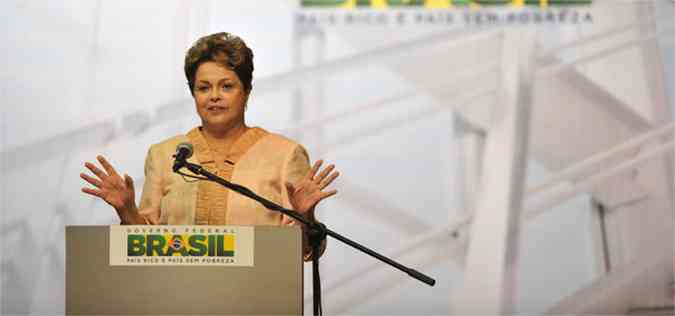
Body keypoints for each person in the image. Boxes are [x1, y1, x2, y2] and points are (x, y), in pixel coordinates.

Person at [80, 32, 338, 260]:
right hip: (176, 298)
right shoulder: (163, 156)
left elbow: (304, 252)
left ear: (246, 91)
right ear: (193, 93)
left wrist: (307, 218)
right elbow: (146, 248)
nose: (214, 96)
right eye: (204, 87)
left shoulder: (285, 155)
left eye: (226, 86)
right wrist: (127, 211)